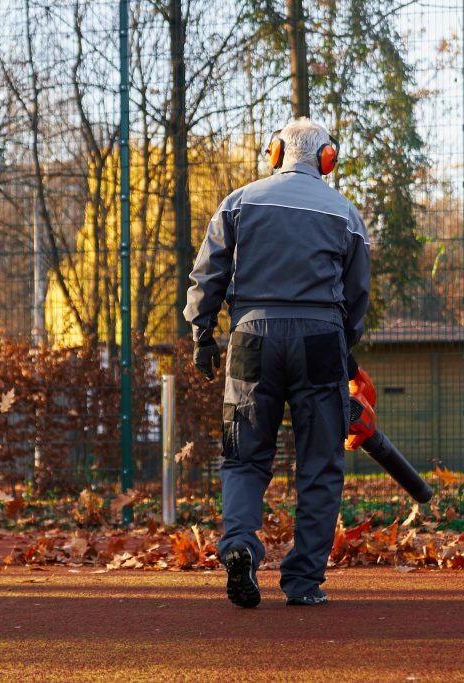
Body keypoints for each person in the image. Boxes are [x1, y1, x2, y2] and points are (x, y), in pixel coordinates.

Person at [184, 117, 370, 608]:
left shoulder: (239, 202)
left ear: (275, 153)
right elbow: (358, 296)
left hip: (252, 338)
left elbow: (208, 274)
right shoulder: (346, 214)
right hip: (321, 340)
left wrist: (203, 333)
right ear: (327, 159)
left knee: (243, 456)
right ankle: (304, 583)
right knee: (320, 465)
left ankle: (241, 546)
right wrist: (344, 356)